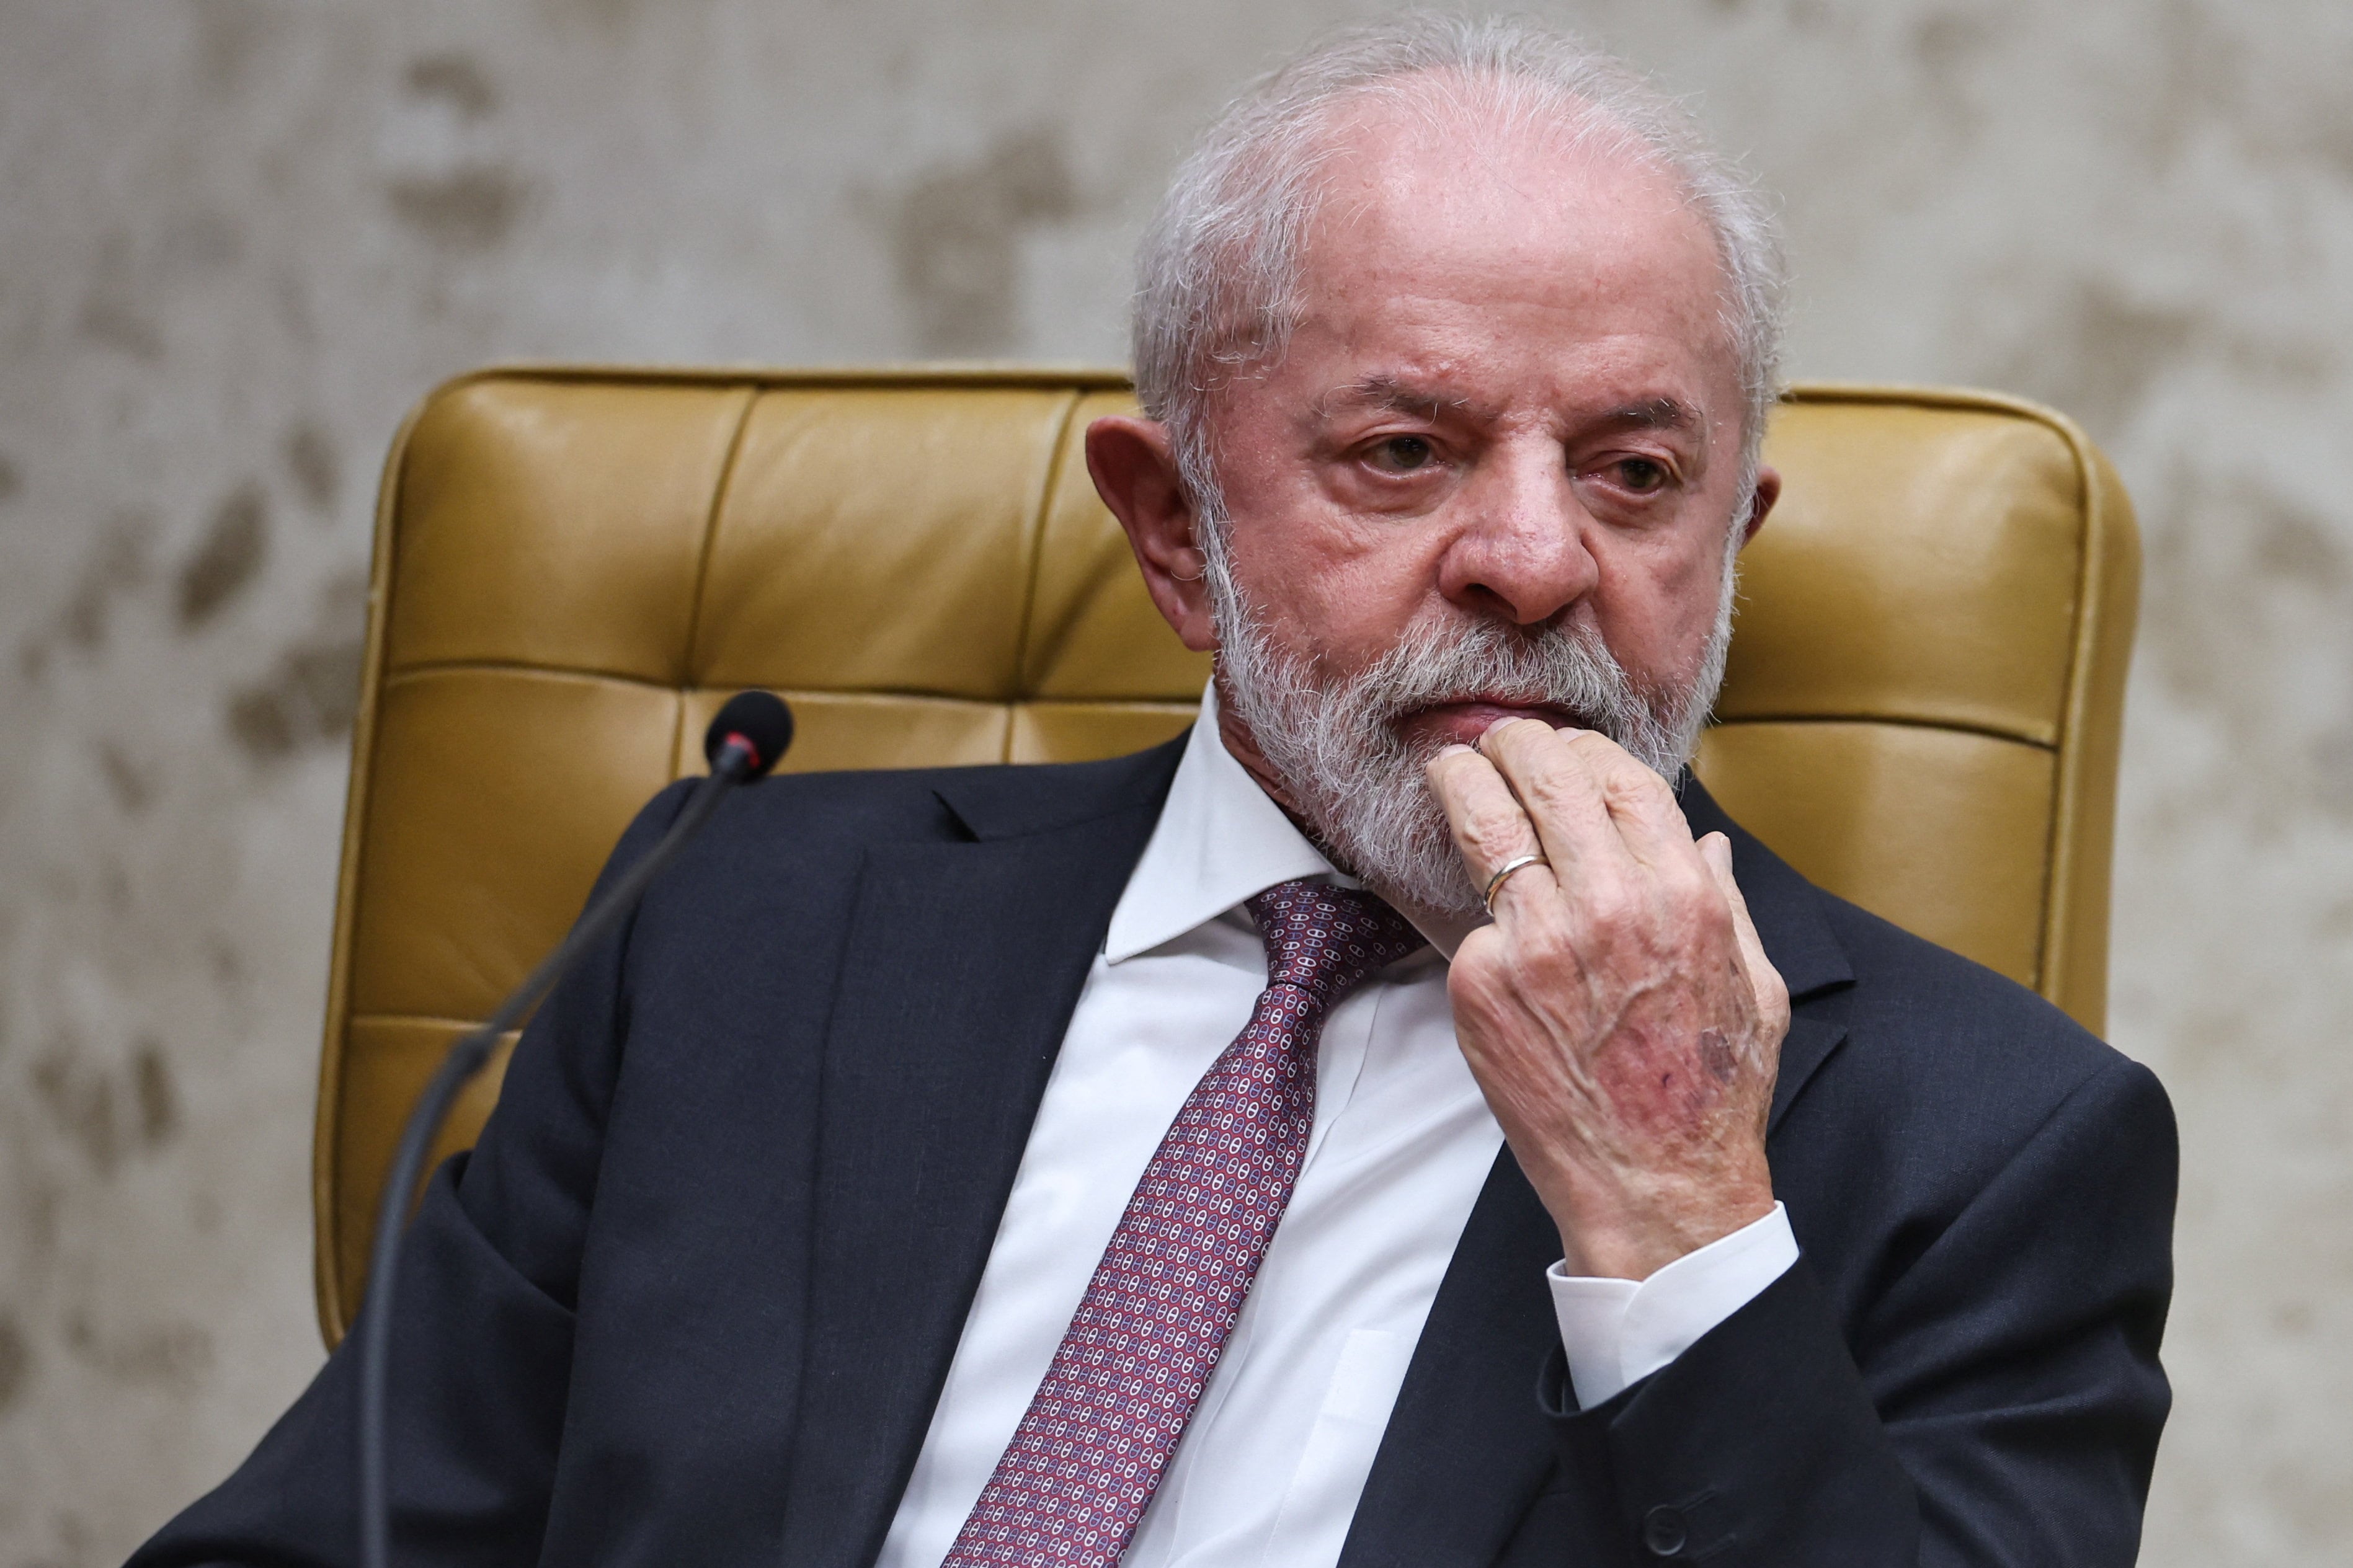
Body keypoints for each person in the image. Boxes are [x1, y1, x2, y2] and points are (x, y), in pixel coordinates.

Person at [131, 14, 2173, 1567]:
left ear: (1730, 537)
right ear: (1174, 529)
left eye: (1637, 476)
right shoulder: (739, 927)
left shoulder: (1989, 1146)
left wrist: (1676, 1210)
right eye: (1402, 452)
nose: (1538, 561)